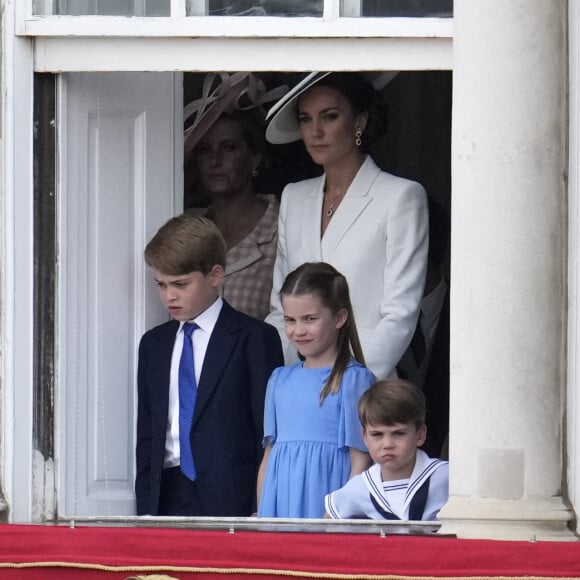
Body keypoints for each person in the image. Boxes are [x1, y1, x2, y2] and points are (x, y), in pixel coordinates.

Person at [264, 72, 429, 379]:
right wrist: (290, 378)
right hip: (299, 385)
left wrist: (350, 381)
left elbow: (399, 314)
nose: (315, 131)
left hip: (368, 391)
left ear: (359, 122)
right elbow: (279, 308)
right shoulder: (294, 196)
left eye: (329, 116)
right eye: (305, 118)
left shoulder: (400, 196)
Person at [135, 213, 283, 517]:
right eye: (160, 285)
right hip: (167, 494)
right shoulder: (154, 345)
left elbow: (266, 431)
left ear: (215, 275)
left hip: (232, 495)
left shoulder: (254, 339)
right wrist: (145, 507)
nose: (169, 296)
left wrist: (261, 506)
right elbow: (149, 433)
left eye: (180, 284)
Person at [257, 262, 374, 518]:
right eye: (290, 320)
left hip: (327, 505)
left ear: (339, 318)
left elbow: (360, 460)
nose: (298, 330)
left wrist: (339, 514)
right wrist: (262, 513)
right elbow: (269, 457)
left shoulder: (353, 379)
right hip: (280, 506)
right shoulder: (279, 379)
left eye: (309, 319)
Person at [188, 100, 279, 321]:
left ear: (254, 157)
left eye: (229, 148)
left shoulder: (281, 226)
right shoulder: (187, 229)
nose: (215, 161)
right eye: (204, 150)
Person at [324, 378, 448, 520]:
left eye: (398, 433)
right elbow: (328, 523)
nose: (387, 444)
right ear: (365, 437)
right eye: (377, 434)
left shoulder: (445, 477)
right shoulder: (360, 486)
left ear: (420, 435)